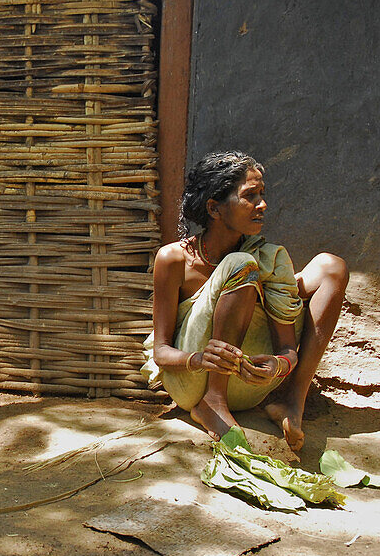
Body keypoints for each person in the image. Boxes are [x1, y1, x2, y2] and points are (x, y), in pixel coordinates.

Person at [141, 151, 348, 452]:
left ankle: (292, 403)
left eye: (263, 194)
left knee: (332, 266)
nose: (263, 205)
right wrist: (197, 359)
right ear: (214, 208)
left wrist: (279, 365)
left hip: (248, 386)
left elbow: (288, 349)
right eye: (250, 196)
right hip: (190, 380)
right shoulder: (174, 259)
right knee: (242, 264)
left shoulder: (266, 256)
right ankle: (213, 401)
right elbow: (160, 352)